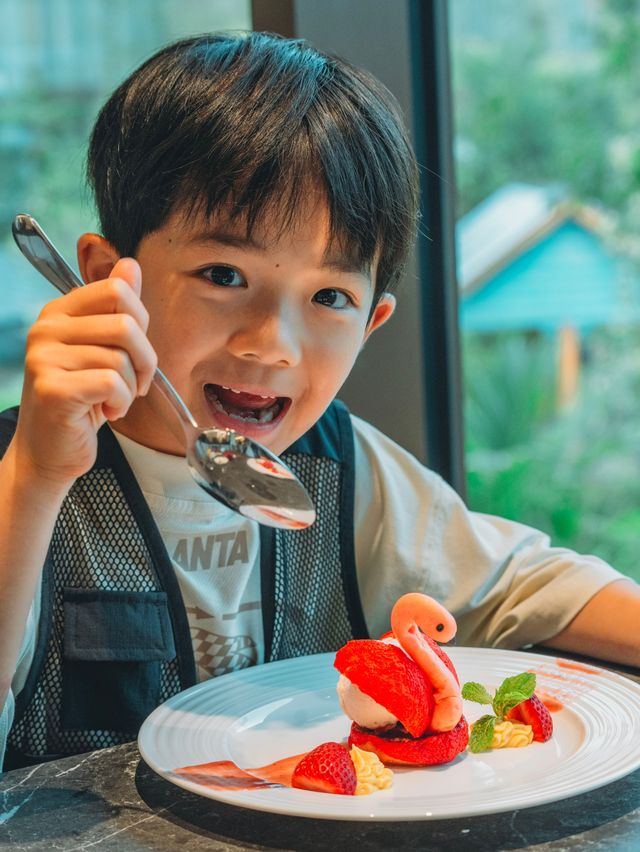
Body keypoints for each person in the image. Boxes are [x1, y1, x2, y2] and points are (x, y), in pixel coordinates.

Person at [0, 32, 638, 772]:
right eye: (222, 274)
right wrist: (36, 476)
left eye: (329, 296)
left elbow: (532, 587)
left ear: (372, 325)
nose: (272, 344)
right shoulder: (28, 470)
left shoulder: (340, 466)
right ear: (111, 283)